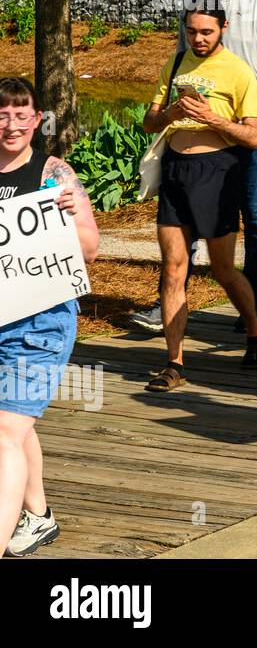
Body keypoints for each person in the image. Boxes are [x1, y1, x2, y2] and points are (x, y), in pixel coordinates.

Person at [127, 0, 257, 335]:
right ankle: (168, 299)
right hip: (196, 133)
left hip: (246, 123)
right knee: (184, 219)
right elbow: (181, 60)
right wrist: (166, 113)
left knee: (256, 216)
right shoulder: (194, 1)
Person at [140, 6, 257, 392]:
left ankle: (255, 329)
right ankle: (174, 363)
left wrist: (211, 117)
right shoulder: (175, 62)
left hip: (217, 172)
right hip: (177, 171)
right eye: (193, 31)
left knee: (223, 268)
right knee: (174, 268)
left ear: (223, 28)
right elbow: (149, 122)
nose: (199, 39)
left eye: (207, 32)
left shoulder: (239, 71)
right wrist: (172, 113)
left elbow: (253, 137)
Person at [0, 77, 100, 557]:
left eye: (22, 115)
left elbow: (90, 247)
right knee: (14, 425)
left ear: (38, 120)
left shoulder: (53, 174)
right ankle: (37, 515)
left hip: (40, 322)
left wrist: (64, 217)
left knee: (4, 433)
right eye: (2, 114)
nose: (11, 125)